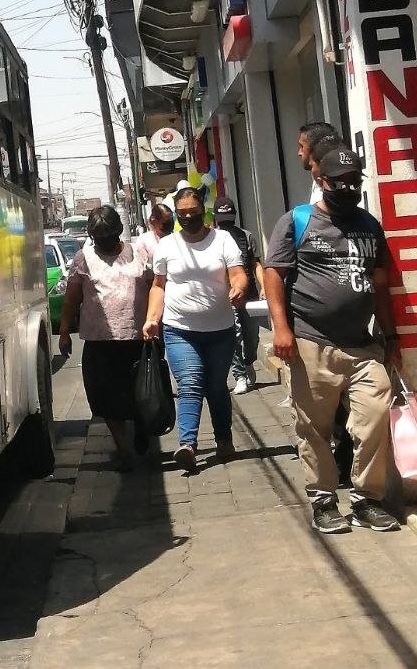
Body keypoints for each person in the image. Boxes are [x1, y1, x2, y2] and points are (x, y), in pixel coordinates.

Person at [264, 147, 401, 534]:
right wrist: (281, 328)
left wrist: (389, 335)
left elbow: (379, 284)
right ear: (320, 182)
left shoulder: (369, 225)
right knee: (315, 428)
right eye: (339, 183)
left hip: (362, 345)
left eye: (354, 182)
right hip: (311, 344)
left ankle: (366, 500)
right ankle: (324, 499)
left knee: (374, 419)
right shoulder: (297, 221)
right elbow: (274, 274)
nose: (348, 188)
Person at [143, 187, 248, 472]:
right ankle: (187, 445)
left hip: (220, 330)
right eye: (182, 214)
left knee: (216, 387)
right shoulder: (167, 246)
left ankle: (224, 439)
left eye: (194, 213)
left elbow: (238, 274)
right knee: (190, 382)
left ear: (204, 211)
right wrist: (153, 318)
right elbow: (158, 286)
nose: (188, 218)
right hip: (179, 329)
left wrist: (238, 288)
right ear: (176, 216)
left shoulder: (223, 240)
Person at [58, 206, 151, 470]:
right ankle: (123, 448)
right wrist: (64, 332)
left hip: (137, 339)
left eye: (109, 237)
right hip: (99, 343)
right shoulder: (82, 259)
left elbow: (155, 287)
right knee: (106, 398)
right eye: (99, 239)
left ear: (119, 232)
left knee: (140, 393)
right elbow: (72, 299)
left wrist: (157, 324)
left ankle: (142, 427)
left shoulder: (138, 254)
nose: (105, 244)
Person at [212, 196, 264, 394]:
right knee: (235, 336)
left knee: (252, 335)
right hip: (226, 296)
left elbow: (256, 263)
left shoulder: (247, 236)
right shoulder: (213, 239)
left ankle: (249, 361)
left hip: (249, 294)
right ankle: (239, 374)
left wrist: (264, 286)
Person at [297, 122, 339, 205]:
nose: (299, 153)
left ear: (315, 149)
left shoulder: (337, 183)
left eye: (302, 147)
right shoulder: (316, 176)